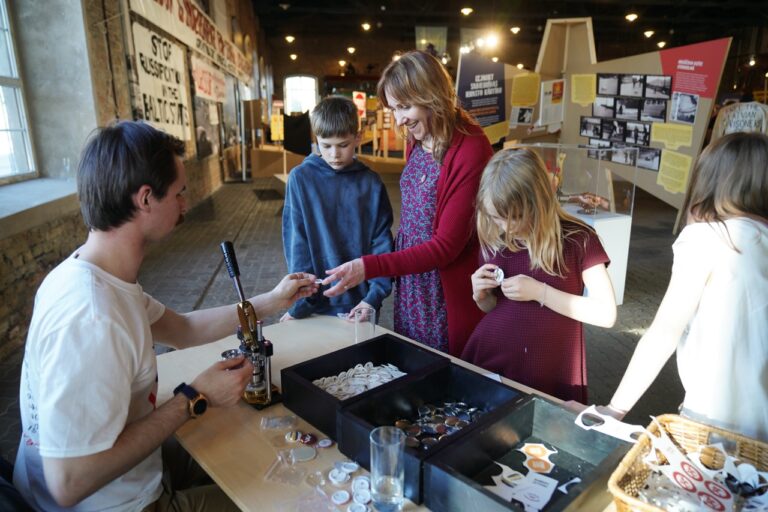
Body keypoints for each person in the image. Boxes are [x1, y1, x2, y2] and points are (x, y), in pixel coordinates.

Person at [13, 121, 318, 511]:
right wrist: (195, 396)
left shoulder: (97, 275)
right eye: (180, 193)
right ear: (145, 199)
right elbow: (68, 483)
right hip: (119, 505)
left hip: (133, 476)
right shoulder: (91, 315)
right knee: (292, 495)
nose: (186, 204)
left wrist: (273, 301)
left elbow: (185, 329)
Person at [322, 50, 494, 357]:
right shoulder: (417, 135)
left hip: (442, 289)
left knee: (442, 372)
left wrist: (369, 267)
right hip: (413, 280)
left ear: (432, 97)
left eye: (405, 107)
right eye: (393, 108)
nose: (399, 119)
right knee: (411, 364)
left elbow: (446, 247)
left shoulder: (471, 147)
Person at [602, 132, 768, 441]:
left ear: (712, 180)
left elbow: (664, 331)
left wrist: (614, 409)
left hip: (717, 415)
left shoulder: (709, 239)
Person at [461, 148, 617, 402]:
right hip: (492, 360)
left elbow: (606, 314)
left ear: (539, 202)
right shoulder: (496, 238)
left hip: (549, 368)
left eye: (515, 218)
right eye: (496, 218)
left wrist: (539, 292)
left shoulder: (578, 239)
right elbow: (493, 307)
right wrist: (480, 295)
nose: (506, 227)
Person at [281, 96, 393, 322]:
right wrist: (300, 305)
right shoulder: (301, 179)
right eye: (326, 145)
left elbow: (382, 244)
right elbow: (297, 244)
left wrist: (373, 298)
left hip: (361, 303)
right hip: (313, 304)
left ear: (358, 137)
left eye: (343, 145)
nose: (334, 154)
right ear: (316, 139)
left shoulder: (371, 183)